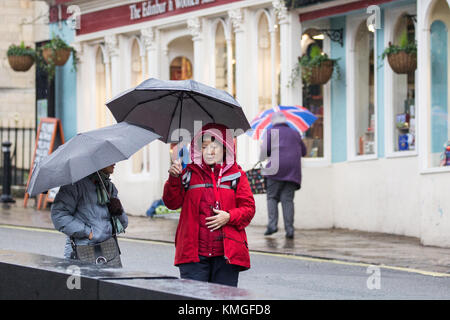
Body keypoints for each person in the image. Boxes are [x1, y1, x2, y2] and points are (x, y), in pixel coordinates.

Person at [163, 123, 255, 287]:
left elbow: (248, 209)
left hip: (226, 256)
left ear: (226, 149)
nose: (209, 151)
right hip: (194, 256)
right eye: (204, 146)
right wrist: (173, 179)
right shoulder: (188, 174)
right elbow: (172, 203)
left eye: (215, 146)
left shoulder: (237, 175)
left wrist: (229, 216)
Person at [51, 163, 128, 267]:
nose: (114, 163)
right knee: (84, 284)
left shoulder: (108, 186)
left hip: (108, 250)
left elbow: (123, 224)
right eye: (109, 160)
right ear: (98, 160)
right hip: (83, 251)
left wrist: (118, 211)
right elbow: (59, 215)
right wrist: (88, 232)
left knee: (111, 283)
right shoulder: (75, 185)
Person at [259, 112, 306, 239]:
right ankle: (289, 229)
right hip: (293, 171)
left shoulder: (271, 131)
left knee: (272, 197)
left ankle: (272, 225)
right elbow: (304, 151)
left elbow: (264, 153)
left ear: (273, 121)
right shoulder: (295, 133)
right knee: (287, 200)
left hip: (275, 169)